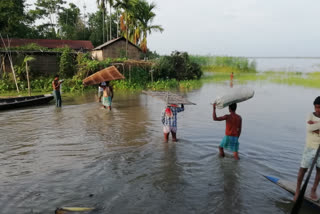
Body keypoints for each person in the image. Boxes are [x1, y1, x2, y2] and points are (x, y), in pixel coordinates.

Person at [294, 96, 320, 201]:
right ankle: (297, 190)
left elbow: (313, 128)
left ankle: (313, 189)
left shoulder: (313, 119)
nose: (318, 110)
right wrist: (315, 127)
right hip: (310, 147)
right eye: (316, 107)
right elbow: (309, 128)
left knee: (319, 170)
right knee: (303, 168)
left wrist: (315, 125)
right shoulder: (310, 115)